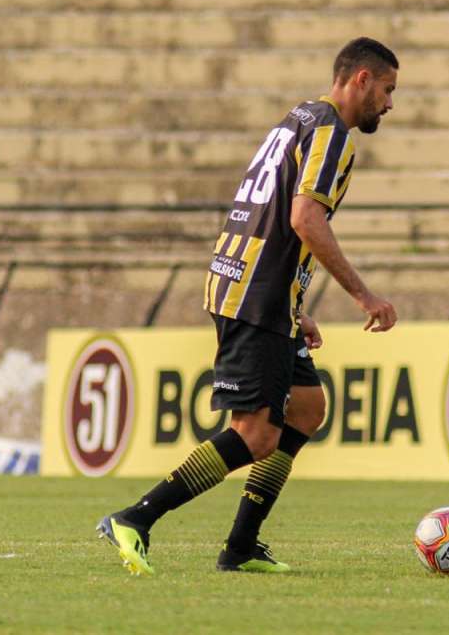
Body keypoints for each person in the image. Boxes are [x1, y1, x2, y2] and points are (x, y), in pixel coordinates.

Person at [98, 37, 400, 576]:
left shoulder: (297, 119)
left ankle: (240, 545)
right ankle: (135, 518)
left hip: (255, 284)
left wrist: (295, 302)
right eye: (387, 90)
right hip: (255, 294)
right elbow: (305, 218)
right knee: (255, 434)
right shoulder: (330, 133)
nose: (390, 104)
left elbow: (269, 207)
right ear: (361, 80)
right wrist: (363, 295)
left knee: (306, 408)